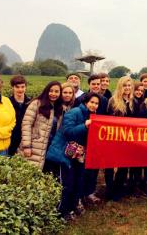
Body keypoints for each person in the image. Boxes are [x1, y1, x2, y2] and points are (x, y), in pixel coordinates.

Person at [47, 92, 100, 220]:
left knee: (77, 182)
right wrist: (85, 126)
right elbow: (68, 131)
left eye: (97, 103)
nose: (94, 105)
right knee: (66, 184)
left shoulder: (92, 115)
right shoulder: (75, 112)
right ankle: (60, 212)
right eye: (92, 102)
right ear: (85, 102)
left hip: (77, 154)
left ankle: (71, 208)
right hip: (63, 153)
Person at [18, 81, 63, 172]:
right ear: (46, 91)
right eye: (51, 91)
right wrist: (27, 146)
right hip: (34, 146)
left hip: (49, 148)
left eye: (56, 91)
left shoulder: (60, 108)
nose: (53, 94)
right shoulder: (36, 104)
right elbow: (26, 125)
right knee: (29, 174)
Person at [107, 76, 139, 201]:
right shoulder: (113, 101)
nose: (127, 88)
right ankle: (109, 190)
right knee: (110, 166)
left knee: (123, 166)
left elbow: (137, 120)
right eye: (125, 85)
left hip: (128, 139)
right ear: (120, 86)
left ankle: (119, 190)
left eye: (129, 85)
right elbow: (108, 119)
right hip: (115, 137)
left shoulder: (134, 102)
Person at [8, 75, 31, 156]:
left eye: (23, 87)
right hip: (10, 139)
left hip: (25, 139)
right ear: (12, 87)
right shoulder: (7, 102)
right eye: (17, 87)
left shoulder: (31, 103)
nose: (20, 89)